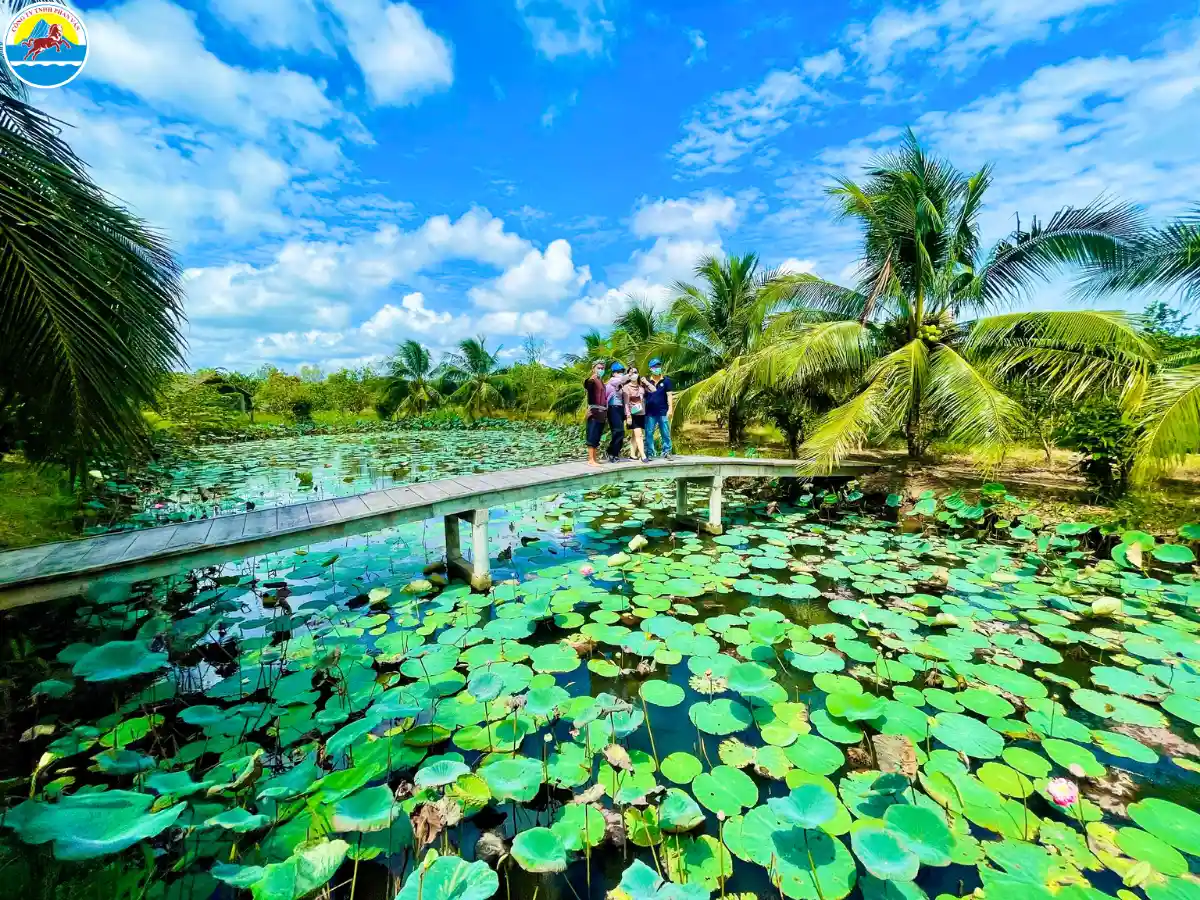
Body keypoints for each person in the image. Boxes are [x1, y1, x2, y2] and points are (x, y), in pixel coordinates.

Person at [644, 358, 674, 459]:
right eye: (655, 366)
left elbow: (669, 395)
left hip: (663, 411)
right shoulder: (647, 381)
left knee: (665, 432)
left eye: (658, 366)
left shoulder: (666, 381)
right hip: (649, 412)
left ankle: (667, 452)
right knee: (649, 433)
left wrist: (670, 409)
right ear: (650, 368)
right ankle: (650, 453)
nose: (657, 368)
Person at [622, 365, 651, 462]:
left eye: (635, 372)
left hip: (641, 413)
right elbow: (626, 403)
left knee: (635, 435)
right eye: (632, 373)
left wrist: (646, 382)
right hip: (632, 414)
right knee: (639, 435)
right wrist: (628, 416)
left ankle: (632, 454)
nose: (634, 374)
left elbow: (654, 390)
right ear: (628, 375)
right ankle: (643, 456)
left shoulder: (641, 387)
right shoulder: (626, 387)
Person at [583, 360, 608, 467]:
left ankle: (595, 458)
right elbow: (587, 385)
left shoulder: (601, 381)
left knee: (597, 435)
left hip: (602, 411)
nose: (601, 370)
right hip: (594, 411)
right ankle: (590, 459)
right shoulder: (592, 380)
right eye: (599, 368)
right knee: (592, 434)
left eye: (602, 368)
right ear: (593, 368)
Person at [605, 362, 630, 462]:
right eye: (619, 372)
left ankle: (615, 453)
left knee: (621, 432)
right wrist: (630, 374)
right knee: (617, 431)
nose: (621, 373)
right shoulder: (612, 381)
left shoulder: (621, 385)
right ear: (614, 373)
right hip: (612, 408)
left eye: (622, 372)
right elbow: (622, 379)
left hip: (620, 409)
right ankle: (611, 452)